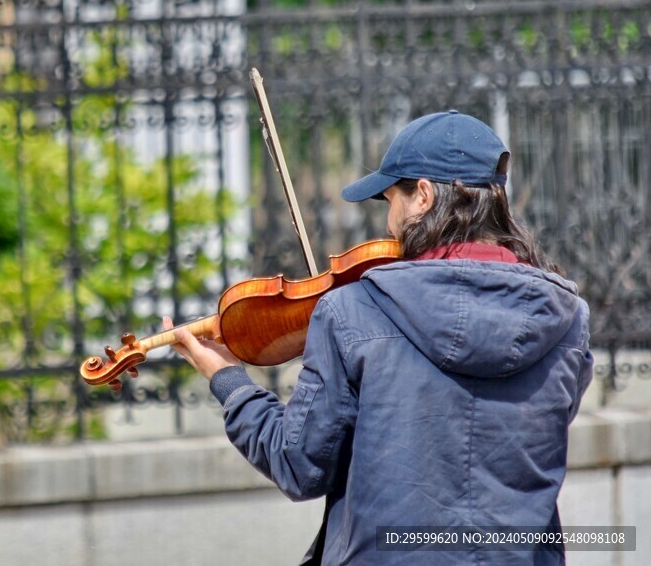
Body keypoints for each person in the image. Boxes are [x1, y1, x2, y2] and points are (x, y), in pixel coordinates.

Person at [164, 110, 593, 565]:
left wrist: (229, 381)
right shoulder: (568, 321)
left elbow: (300, 465)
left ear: (422, 196)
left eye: (391, 200)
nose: (389, 224)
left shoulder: (354, 311)